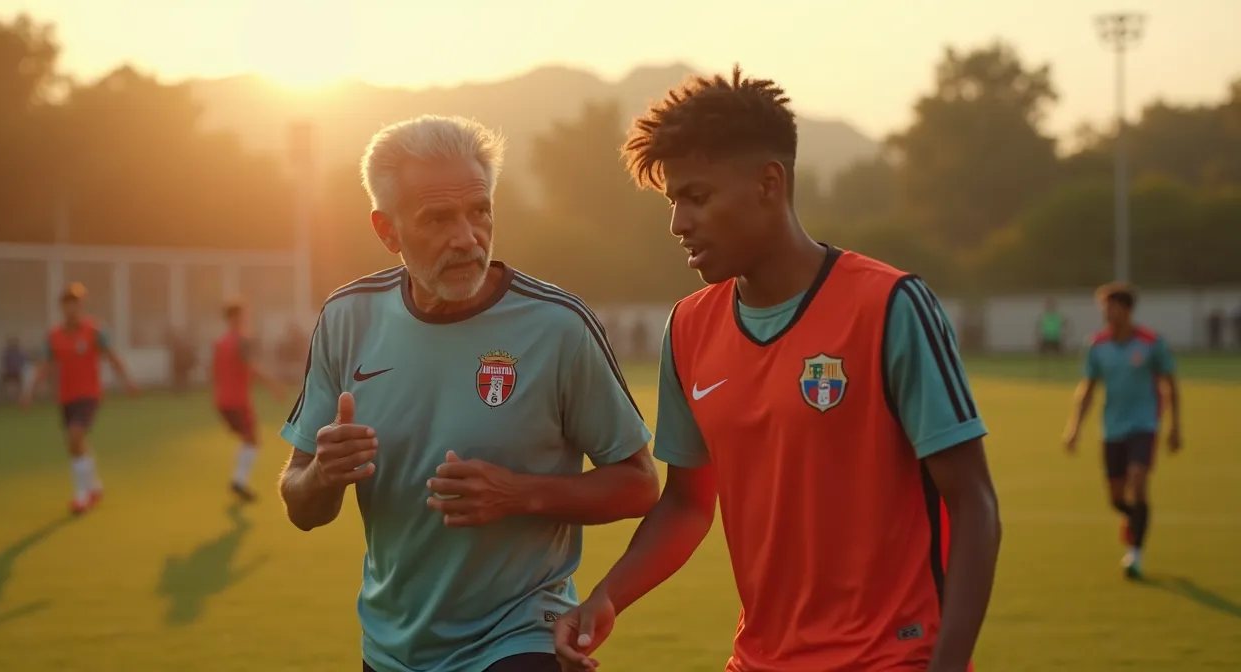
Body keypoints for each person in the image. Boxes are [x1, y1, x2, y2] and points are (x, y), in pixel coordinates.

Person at [553, 66, 1002, 672]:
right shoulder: (688, 327)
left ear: (769, 183)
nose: (678, 222)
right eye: (673, 200)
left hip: (891, 660)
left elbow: (974, 504)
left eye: (698, 196)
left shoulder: (888, 306)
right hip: (759, 660)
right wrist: (607, 596)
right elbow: (688, 504)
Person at [276, 115, 659, 672]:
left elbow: (639, 485)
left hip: (521, 635)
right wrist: (322, 475)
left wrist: (518, 494)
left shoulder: (557, 326)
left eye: (480, 211)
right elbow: (301, 506)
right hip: (392, 647)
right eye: (438, 218)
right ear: (387, 231)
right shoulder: (346, 318)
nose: (467, 236)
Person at [1063, 282, 1181, 580]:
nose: (1105, 312)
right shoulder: (1097, 344)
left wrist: (1175, 427)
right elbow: (1088, 388)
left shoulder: (1151, 342)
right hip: (1112, 429)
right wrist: (1074, 428)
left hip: (1144, 424)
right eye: (1103, 307)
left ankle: (1135, 555)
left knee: (1139, 481)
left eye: (1110, 306)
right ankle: (1133, 518)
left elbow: (1170, 383)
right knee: (1116, 497)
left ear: (1126, 309)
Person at [22, 282, 138, 514]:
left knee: (74, 439)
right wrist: (30, 391)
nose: (72, 309)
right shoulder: (54, 336)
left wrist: (127, 379)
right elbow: (45, 365)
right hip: (66, 397)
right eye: (67, 305)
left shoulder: (94, 330)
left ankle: (81, 495)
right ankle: (94, 485)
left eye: (76, 304)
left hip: (89, 394)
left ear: (81, 306)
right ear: (62, 308)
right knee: (78, 443)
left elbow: (110, 356)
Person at [213, 298, 284, 502]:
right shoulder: (241, 340)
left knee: (248, 440)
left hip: (223, 400)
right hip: (237, 401)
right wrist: (274, 384)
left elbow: (216, 372)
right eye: (244, 314)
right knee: (252, 441)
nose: (246, 318)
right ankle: (239, 482)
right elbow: (251, 367)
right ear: (235, 317)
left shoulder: (220, 342)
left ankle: (238, 481)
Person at [0, 336, 28, 400]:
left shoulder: (21, 352)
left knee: (23, 382)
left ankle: (21, 396)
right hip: (9, 372)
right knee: (1, 381)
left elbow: (24, 363)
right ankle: (3, 398)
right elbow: (4, 363)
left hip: (18, 373)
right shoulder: (7, 353)